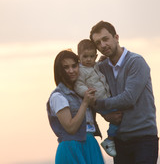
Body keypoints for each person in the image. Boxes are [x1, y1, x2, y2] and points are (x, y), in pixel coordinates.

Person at [90, 20, 159, 164]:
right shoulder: (101, 68)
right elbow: (89, 94)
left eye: (105, 39)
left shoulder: (136, 62)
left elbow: (129, 98)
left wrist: (99, 104)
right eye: (97, 43)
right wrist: (106, 115)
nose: (102, 45)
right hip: (119, 141)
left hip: (144, 139)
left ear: (116, 37)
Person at [46, 50, 105, 164]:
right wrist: (85, 103)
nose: (71, 71)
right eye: (66, 67)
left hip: (90, 144)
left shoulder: (80, 92)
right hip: (71, 148)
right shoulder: (58, 96)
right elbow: (71, 128)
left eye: (74, 66)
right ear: (59, 70)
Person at [74, 39, 118, 157]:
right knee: (117, 118)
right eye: (85, 56)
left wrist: (100, 61)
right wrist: (87, 93)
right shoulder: (81, 71)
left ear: (95, 56)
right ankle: (110, 139)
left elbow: (96, 68)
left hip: (107, 98)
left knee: (119, 116)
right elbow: (78, 85)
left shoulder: (95, 66)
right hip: (98, 101)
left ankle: (113, 138)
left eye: (92, 56)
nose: (88, 59)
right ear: (79, 56)